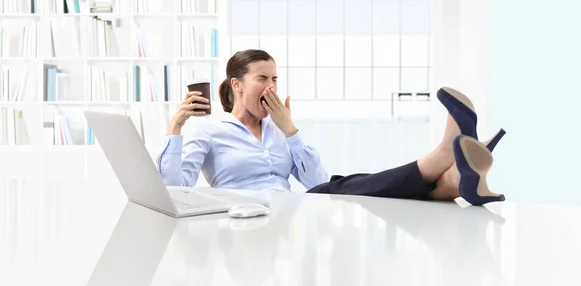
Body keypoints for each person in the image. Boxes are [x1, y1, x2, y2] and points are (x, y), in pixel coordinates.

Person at [155, 49, 506, 206]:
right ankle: (446, 157)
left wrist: (290, 131)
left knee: (352, 186)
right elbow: (174, 189)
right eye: (262, 78)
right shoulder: (209, 130)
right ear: (237, 85)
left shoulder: (279, 128)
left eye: (275, 78)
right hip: (247, 216)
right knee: (351, 187)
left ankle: (455, 183)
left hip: (294, 210)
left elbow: (316, 181)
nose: (271, 87)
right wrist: (176, 127)